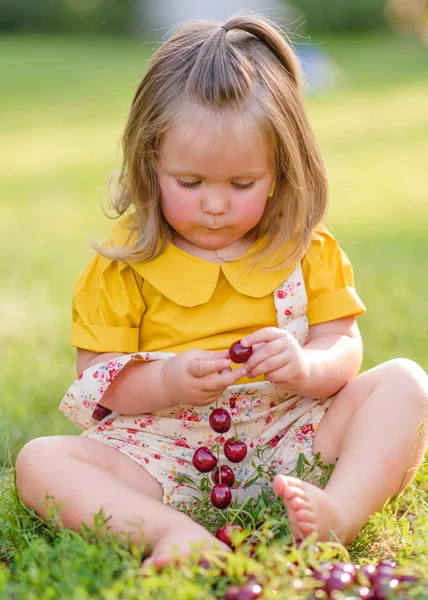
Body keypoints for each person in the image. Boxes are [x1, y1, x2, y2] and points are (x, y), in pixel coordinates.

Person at [15, 16, 428, 569]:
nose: (215, 204)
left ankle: (337, 513)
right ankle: (172, 532)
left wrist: (306, 366)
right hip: (164, 454)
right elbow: (100, 380)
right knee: (41, 461)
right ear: (150, 163)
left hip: (292, 436)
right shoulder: (124, 264)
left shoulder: (304, 249)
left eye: (242, 184)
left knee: (406, 384)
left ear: (281, 171)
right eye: (190, 183)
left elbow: (343, 343)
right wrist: (168, 379)